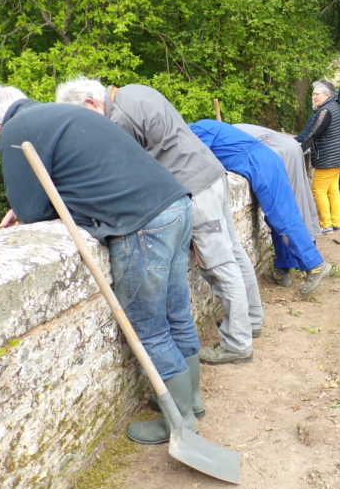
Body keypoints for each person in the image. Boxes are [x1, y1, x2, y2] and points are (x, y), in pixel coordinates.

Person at [0, 84, 202, 444]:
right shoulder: (63, 112)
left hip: (140, 222)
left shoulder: (15, 130)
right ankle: (191, 399)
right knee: (176, 311)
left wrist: (22, 208)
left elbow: (32, 209)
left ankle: (179, 420)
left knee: (148, 325)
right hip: (175, 204)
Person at [55, 78, 263, 366]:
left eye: (83, 116)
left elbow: (120, 172)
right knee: (235, 253)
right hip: (212, 174)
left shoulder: (119, 120)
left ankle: (238, 342)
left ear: (91, 103)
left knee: (219, 266)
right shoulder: (135, 92)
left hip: (194, 188)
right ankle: (251, 320)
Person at [189, 119, 331, 295]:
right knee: (278, 217)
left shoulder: (196, 132)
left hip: (259, 165)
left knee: (283, 217)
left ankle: (315, 265)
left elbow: (195, 162)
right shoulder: (205, 126)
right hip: (266, 160)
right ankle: (282, 272)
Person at [234, 123, 320, 240]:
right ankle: (309, 236)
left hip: (283, 151)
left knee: (291, 200)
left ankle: (301, 239)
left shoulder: (229, 139)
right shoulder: (234, 129)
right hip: (291, 146)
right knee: (301, 194)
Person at [295, 80, 340, 234]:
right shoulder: (335, 107)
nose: (313, 97)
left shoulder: (325, 111)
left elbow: (314, 133)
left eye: (316, 94)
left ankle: (326, 224)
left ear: (326, 95)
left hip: (328, 158)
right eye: (313, 94)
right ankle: (336, 222)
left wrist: (299, 149)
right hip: (338, 157)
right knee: (333, 190)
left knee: (318, 190)